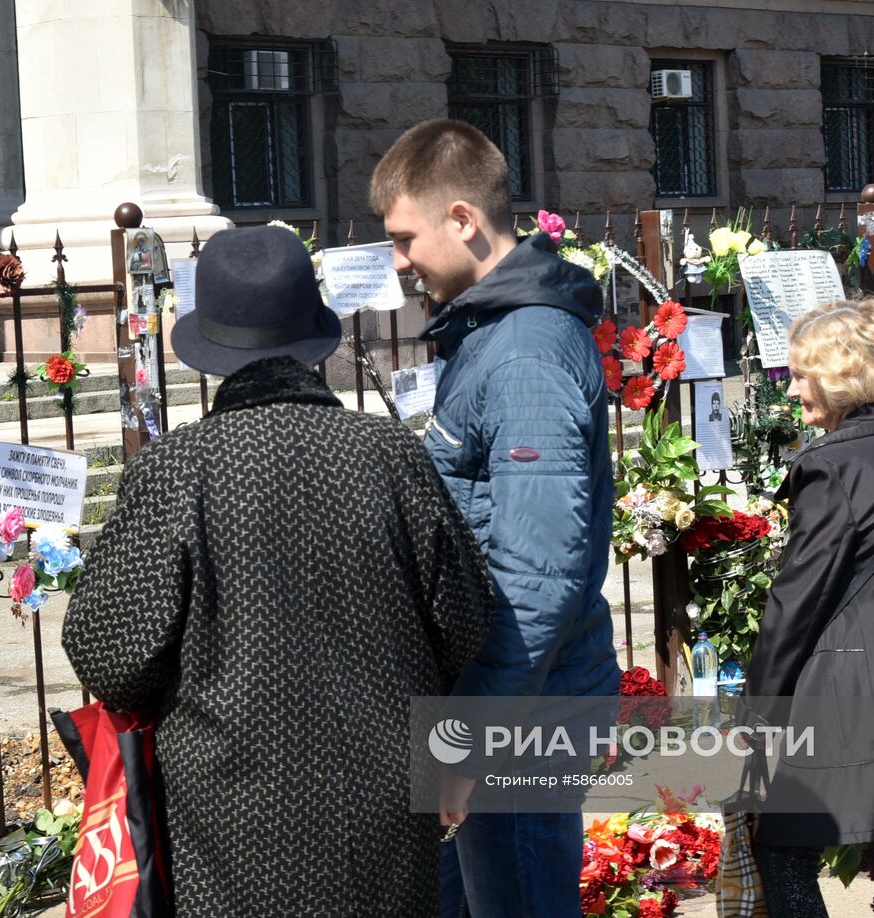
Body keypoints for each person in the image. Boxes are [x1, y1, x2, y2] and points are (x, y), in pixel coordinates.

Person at [61, 225, 496, 916]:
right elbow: (465, 621)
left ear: (213, 347)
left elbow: (109, 656)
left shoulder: (179, 469)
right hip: (383, 805)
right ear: (311, 337)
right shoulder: (388, 453)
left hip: (228, 813)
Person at [370, 119, 619, 917]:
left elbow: (537, 574)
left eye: (406, 239)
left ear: (464, 221)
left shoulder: (524, 353)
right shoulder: (492, 332)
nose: (400, 262)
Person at [741, 299, 874, 918]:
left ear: (840, 374)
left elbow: (798, 598)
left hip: (845, 687)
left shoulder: (832, 466)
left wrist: (759, 706)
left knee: (783, 850)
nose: (793, 390)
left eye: (802, 375)